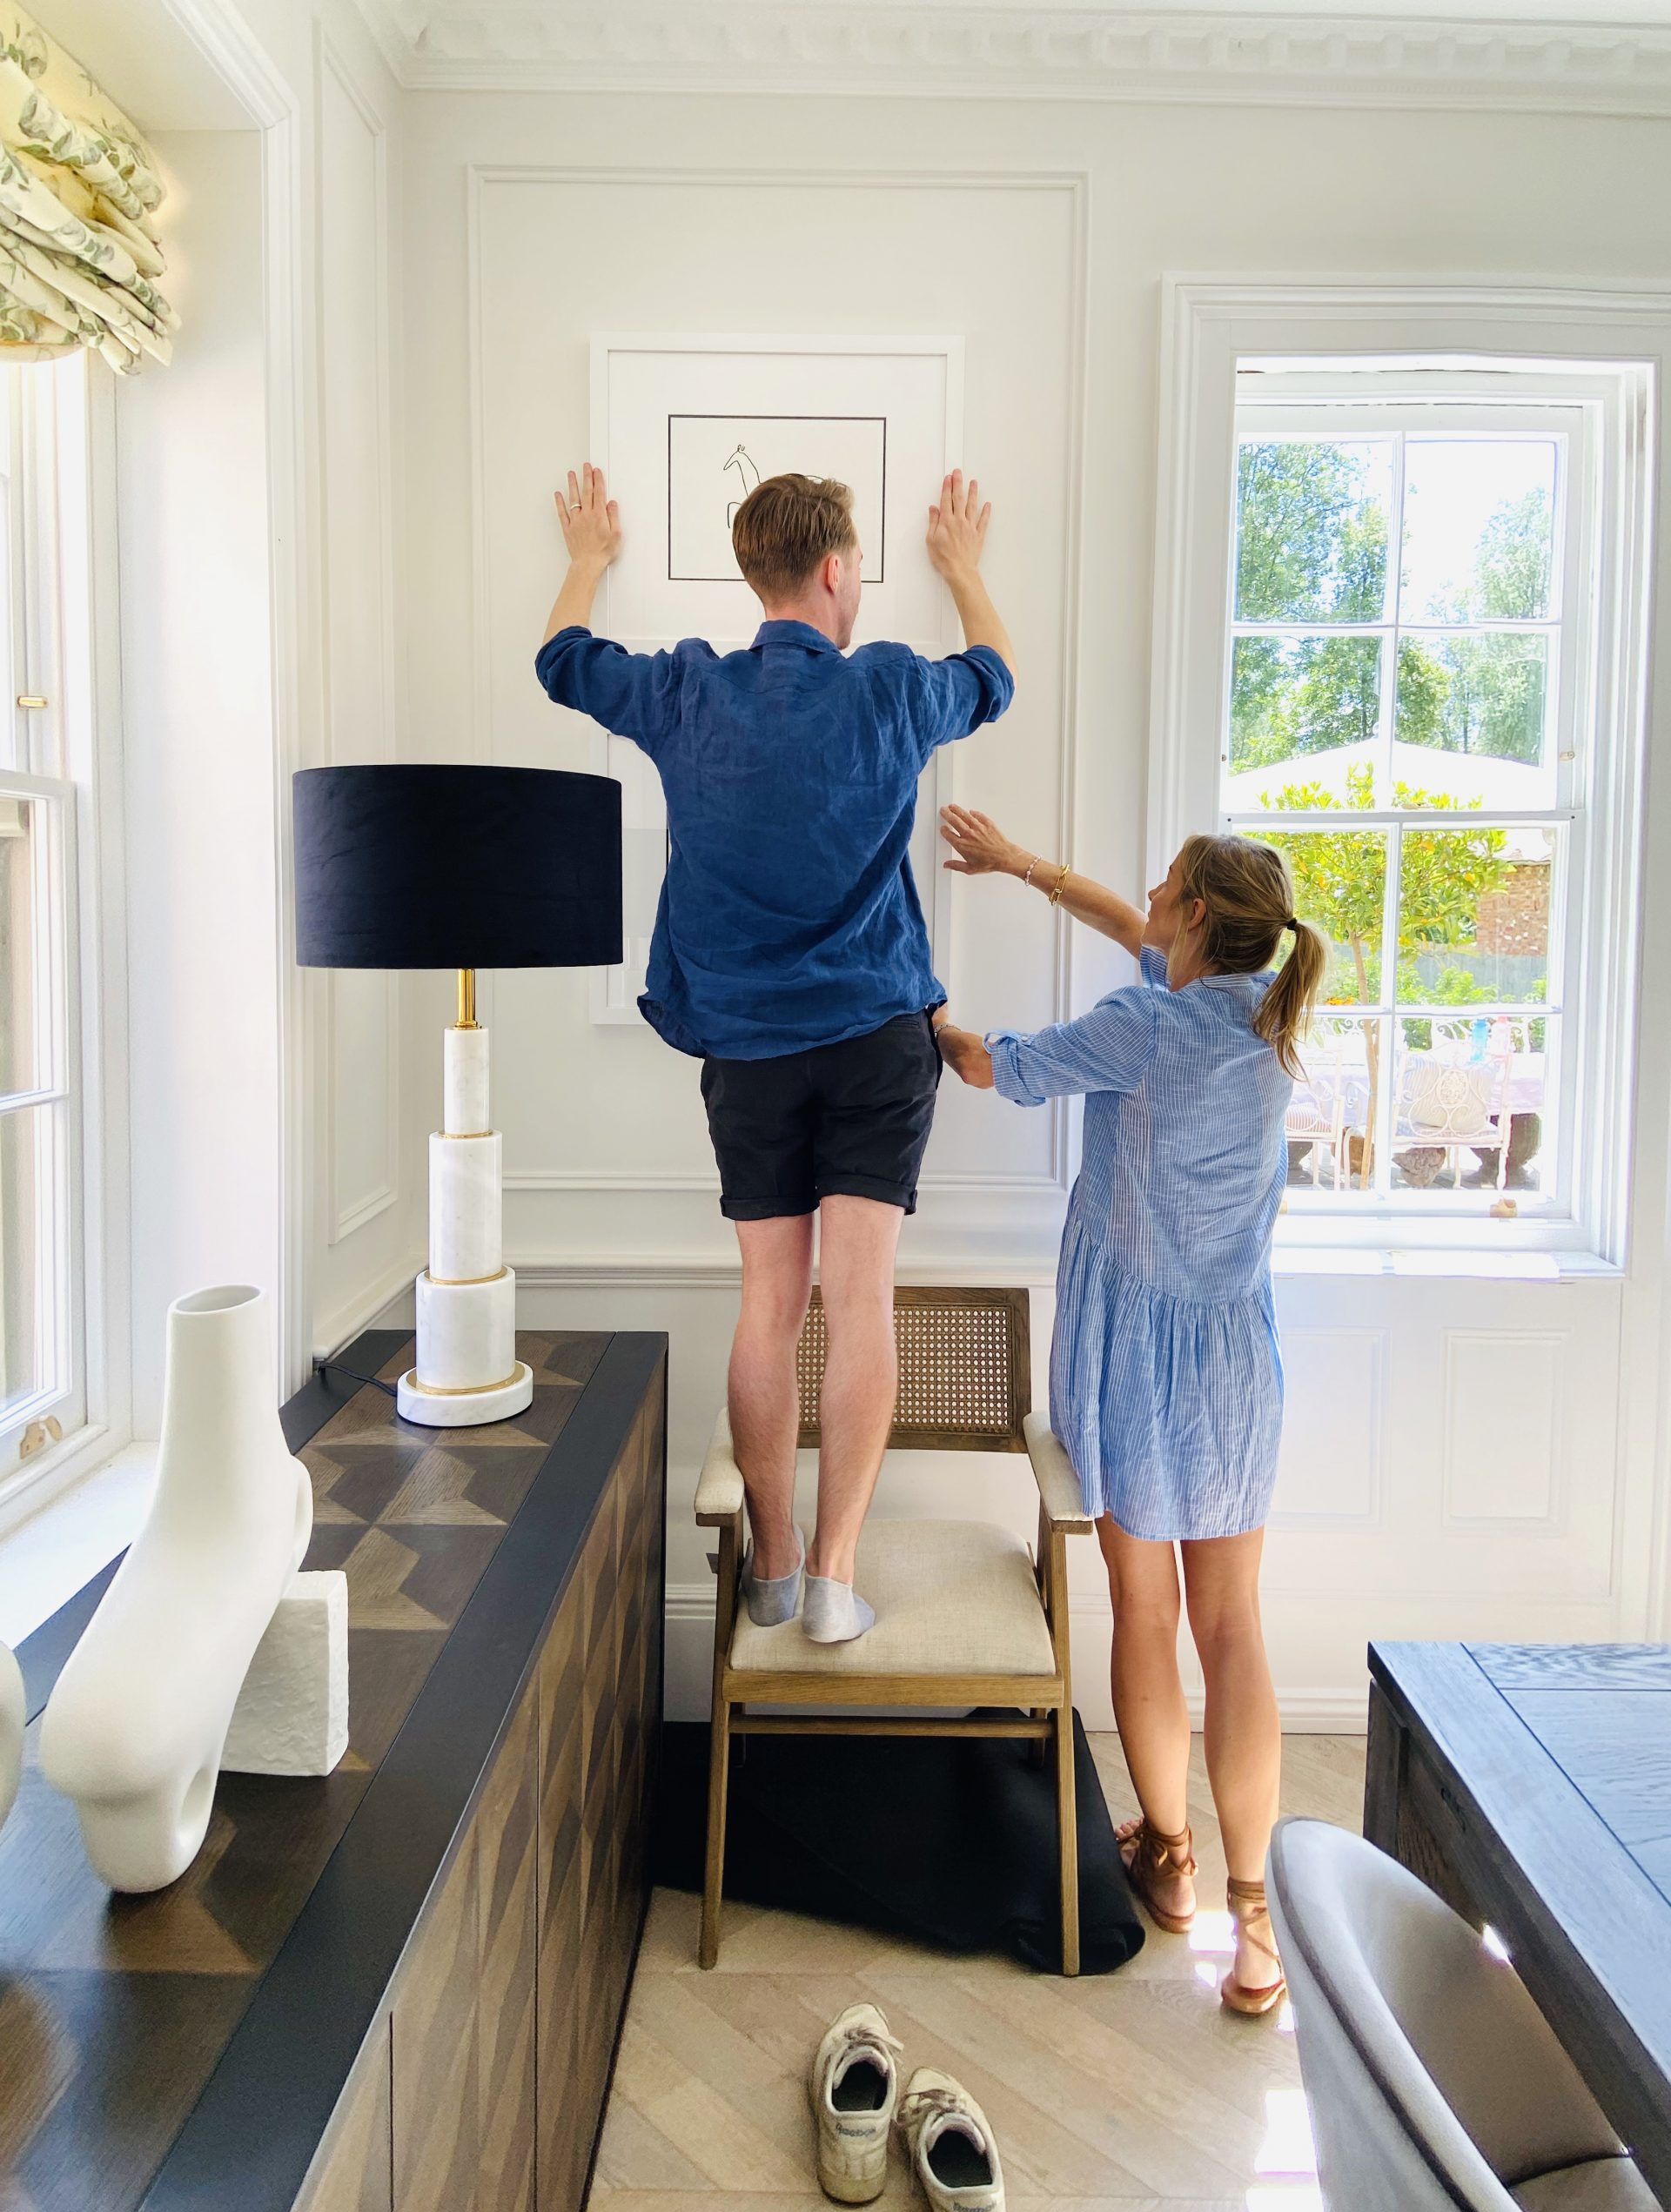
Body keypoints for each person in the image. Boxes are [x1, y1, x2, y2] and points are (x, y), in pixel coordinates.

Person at [537, 466, 1015, 1643]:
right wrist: (964, 570)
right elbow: (997, 675)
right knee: (859, 1307)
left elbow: (560, 663)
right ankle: (839, 1579)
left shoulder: (690, 690)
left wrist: (590, 554)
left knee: (768, 1304)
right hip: (873, 1040)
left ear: (757, 575)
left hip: (748, 1048)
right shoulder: (895, 688)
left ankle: (775, 1563)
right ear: (839, 570)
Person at [932, 806, 1324, 2015]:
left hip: (1142, 1372)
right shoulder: (1268, 1020)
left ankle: (1169, 1854)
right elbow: (1125, 923)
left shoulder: (1144, 1028)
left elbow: (994, 1065)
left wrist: (911, 1005)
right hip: (1237, 1369)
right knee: (1235, 1630)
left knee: (1146, 1620)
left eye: (1166, 887)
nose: (1145, 896)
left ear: (1198, 918)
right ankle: (1256, 1927)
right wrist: (1023, 868)